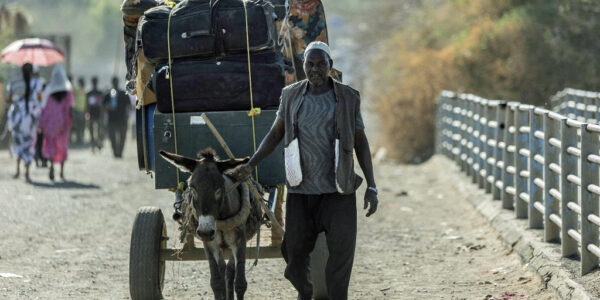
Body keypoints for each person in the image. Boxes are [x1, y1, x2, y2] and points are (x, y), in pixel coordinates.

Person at [229, 41, 378, 300]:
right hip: (302, 193)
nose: (316, 69)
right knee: (294, 259)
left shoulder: (347, 97)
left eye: (321, 64)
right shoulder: (291, 95)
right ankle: (305, 291)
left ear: (331, 66)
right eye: (310, 64)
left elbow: (360, 141)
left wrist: (372, 185)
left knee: (340, 264)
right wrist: (251, 164)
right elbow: (276, 133)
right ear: (304, 66)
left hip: (338, 193)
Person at [7, 63, 43, 181]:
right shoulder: (37, 83)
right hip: (30, 118)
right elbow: (40, 99)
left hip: (17, 118)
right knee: (29, 143)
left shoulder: (15, 82)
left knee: (18, 142)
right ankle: (27, 172)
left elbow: (10, 98)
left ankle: (18, 170)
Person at [40, 65, 74, 181]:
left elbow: (45, 109)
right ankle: (61, 172)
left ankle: (51, 167)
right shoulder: (68, 92)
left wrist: (42, 123)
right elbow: (70, 108)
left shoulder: (49, 92)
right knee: (62, 147)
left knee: (51, 145)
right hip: (63, 124)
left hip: (50, 124)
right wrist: (70, 121)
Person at [103, 76, 131, 158]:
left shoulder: (123, 93)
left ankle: (120, 152)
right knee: (112, 138)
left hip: (122, 119)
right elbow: (103, 106)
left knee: (122, 137)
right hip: (112, 120)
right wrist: (108, 107)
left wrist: (127, 115)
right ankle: (115, 152)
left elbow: (128, 106)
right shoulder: (108, 94)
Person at [85, 76, 104, 152]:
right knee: (92, 131)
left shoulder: (100, 92)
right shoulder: (89, 93)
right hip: (91, 114)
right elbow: (87, 105)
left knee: (99, 131)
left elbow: (102, 104)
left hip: (98, 114)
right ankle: (93, 145)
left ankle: (98, 143)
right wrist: (86, 114)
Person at [70, 77, 87, 144]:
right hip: (76, 110)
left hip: (82, 111)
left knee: (82, 125)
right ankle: (78, 138)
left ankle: (81, 137)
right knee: (76, 125)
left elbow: (86, 101)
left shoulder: (85, 91)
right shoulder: (76, 90)